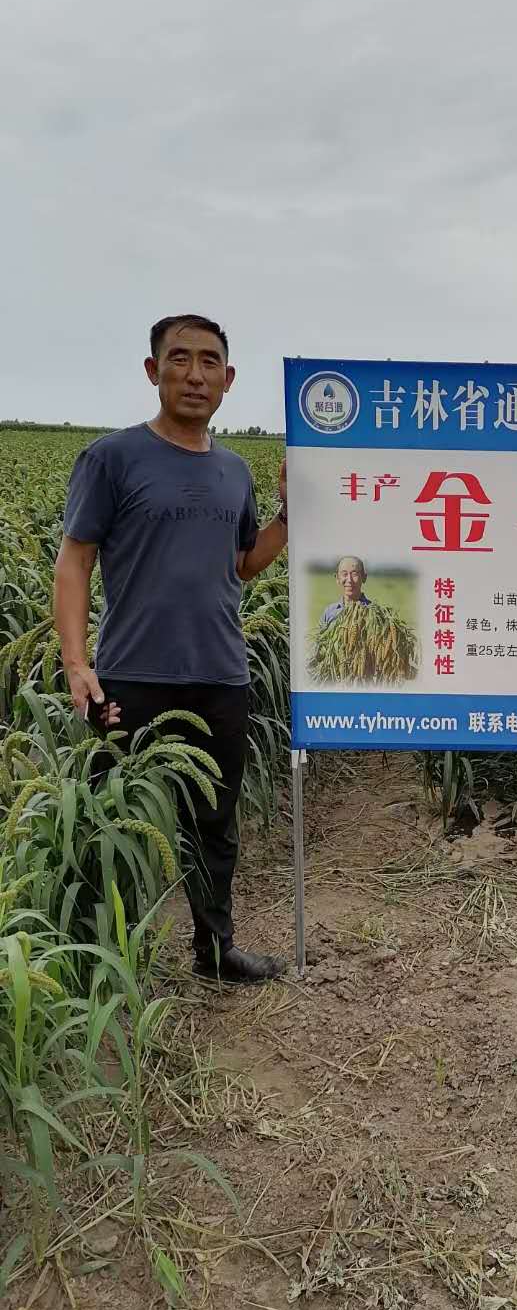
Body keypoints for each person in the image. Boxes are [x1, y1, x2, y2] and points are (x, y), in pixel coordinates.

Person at [54, 314, 288, 984]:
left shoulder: (234, 470)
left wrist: (287, 517)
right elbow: (74, 562)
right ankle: (99, 961)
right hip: (130, 676)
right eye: (179, 359)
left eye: (209, 361)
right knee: (115, 822)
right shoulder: (112, 458)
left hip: (220, 674)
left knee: (215, 822)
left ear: (228, 379)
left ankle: (215, 951)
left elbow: (242, 563)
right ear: (153, 370)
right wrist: (77, 664)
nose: (194, 375)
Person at [320, 556, 370, 628]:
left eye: (354, 574)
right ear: (337, 578)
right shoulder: (329, 612)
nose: (349, 580)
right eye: (344, 574)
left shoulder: (374, 614)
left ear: (364, 577)